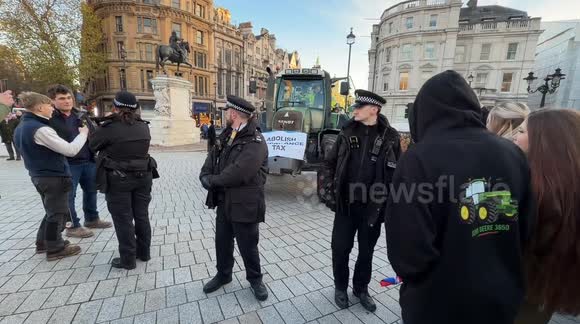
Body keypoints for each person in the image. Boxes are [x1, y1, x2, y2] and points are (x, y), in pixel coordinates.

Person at [385, 70, 535, 324]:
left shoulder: (419, 159)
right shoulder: (512, 154)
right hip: (500, 299)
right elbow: (527, 229)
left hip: (438, 304)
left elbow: (408, 253)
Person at [323, 89, 401, 312]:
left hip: (373, 208)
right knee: (340, 248)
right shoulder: (346, 133)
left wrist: (392, 206)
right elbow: (328, 164)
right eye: (355, 106)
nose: (354, 110)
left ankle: (361, 289)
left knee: (366, 252)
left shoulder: (391, 137)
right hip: (346, 206)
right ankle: (340, 287)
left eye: (359, 107)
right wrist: (328, 192)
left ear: (374, 110)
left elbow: (398, 174)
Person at [513, 109, 580, 324]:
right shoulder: (567, 187)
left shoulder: (528, 187)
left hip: (516, 291)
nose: (514, 133)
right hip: (547, 291)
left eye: (522, 130)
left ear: (544, 141)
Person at [199, 95, 269, 301]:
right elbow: (212, 156)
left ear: (233, 114)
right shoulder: (228, 134)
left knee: (248, 245)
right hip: (225, 201)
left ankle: (255, 280)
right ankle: (223, 275)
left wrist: (211, 181)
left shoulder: (255, 141)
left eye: (228, 112)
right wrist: (205, 173)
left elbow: (239, 172)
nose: (227, 115)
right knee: (222, 241)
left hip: (245, 203)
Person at [13, 92, 88, 260]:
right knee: (58, 213)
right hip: (53, 177)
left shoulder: (22, 126)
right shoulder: (41, 129)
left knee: (51, 211)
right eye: (49, 105)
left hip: (39, 175)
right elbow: (70, 150)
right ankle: (55, 247)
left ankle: (43, 242)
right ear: (40, 107)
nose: (52, 109)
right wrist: (83, 134)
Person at [90, 91, 159, 270]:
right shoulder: (143, 126)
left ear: (115, 107)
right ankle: (144, 253)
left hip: (118, 179)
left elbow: (93, 145)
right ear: (136, 108)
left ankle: (128, 259)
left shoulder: (109, 128)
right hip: (144, 177)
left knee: (123, 219)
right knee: (142, 216)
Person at [47, 85, 112, 238]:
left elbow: (93, 133)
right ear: (52, 101)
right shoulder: (50, 119)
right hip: (67, 164)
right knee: (69, 196)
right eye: (62, 99)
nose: (67, 101)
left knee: (91, 191)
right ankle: (73, 226)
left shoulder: (81, 115)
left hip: (88, 160)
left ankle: (92, 219)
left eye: (69, 97)